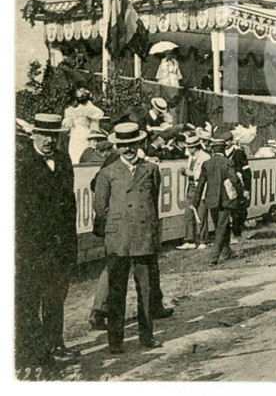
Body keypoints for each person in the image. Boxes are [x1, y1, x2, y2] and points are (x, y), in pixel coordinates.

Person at [92, 123, 164, 353]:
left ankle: (147, 337)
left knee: (146, 290)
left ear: (139, 143)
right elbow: (100, 208)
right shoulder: (108, 172)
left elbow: (153, 202)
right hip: (118, 240)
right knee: (116, 292)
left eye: (131, 144)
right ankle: (115, 341)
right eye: (122, 146)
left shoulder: (151, 169)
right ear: (117, 146)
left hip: (144, 238)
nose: (127, 150)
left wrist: (151, 233)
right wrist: (113, 229)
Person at [15, 114, 78, 368]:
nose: (50, 140)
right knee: (30, 300)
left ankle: (55, 343)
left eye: (55, 136)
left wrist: (70, 243)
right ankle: (37, 353)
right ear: (34, 135)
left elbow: (69, 204)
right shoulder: (22, 164)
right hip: (33, 248)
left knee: (56, 297)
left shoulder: (63, 160)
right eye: (45, 135)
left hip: (60, 245)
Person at [194, 137, 238, 265]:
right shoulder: (228, 162)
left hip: (211, 200)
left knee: (221, 226)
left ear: (212, 150)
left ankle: (227, 251)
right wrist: (240, 193)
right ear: (224, 149)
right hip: (225, 200)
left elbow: (200, 184)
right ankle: (214, 257)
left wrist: (196, 202)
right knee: (221, 228)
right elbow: (234, 179)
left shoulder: (206, 164)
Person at [177, 133, 211, 250]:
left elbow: (206, 174)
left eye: (189, 148)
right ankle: (190, 240)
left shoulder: (205, 157)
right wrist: (185, 171)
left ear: (195, 147)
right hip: (191, 188)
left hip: (201, 188)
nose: (188, 150)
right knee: (188, 214)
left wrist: (192, 173)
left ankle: (203, 240)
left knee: (201, 214)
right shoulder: (190, 158)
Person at [63, 86, 105, 164]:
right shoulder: (86, 110)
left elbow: (67, 125)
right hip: (82, 133)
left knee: (80, 151)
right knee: (78, 152)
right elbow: (94, 124)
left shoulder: (76, 110)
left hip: (78, 134)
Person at [224, 130, 252, 242]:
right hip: (225, 185)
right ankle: (229, 234)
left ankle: (237, 232)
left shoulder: (239, 153)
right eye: (224, 141)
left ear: (231, 141)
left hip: (238, 184)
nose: (225, 144)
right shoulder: (221, 152)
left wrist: (247, 188)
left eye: (227, 141)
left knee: (240, 210)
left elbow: (246, 172)